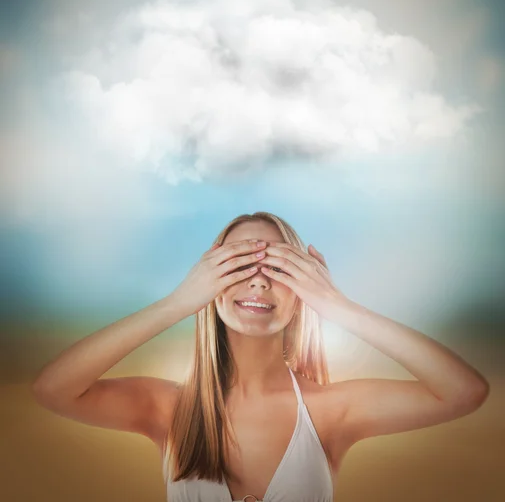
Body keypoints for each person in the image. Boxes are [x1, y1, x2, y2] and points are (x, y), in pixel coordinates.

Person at [32, 211, 490, 502]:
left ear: (302, 288)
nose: (257, 281)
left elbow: (464, 391)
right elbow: (53, 389)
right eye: (236, 265)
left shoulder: (329, 412)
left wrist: (337, 306)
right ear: (208, 283)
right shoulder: (170, 410)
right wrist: (177, 303)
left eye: (277, 267)